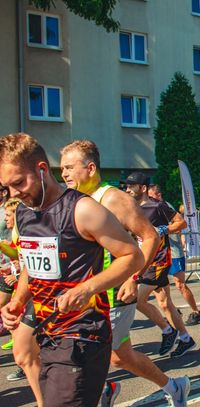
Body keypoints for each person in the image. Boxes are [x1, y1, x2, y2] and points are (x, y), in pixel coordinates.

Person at [0, 133, 144, 407]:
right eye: (6, 187)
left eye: (18, 183)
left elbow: (132, 256)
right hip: (47, 332)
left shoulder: (83, 209)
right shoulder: (24, 212)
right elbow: (31, 264)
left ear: (42, 169)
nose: (14, 193)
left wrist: (86, 288)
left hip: (83, 333)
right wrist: (18, 301)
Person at [60, 141, 190, 406]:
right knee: (121, 358)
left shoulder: (113, 199)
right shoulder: (73, 199)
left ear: (91, 168)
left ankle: (100, 393)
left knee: (82, 355)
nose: (64, 174)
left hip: (114, 294)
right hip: (87, 293)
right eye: (62, 168)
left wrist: (134, 278)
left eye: (70, 167)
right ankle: (173, 386)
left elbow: (150, 236)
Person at [124, 172, 196, 359]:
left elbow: (181, 223)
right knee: (165, 303)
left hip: (158, 261)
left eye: (131, 186)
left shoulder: (157, 206)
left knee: (137, 299)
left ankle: (167, 331)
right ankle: (185, 338)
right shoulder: (129, 208)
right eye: (126, 186)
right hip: (143, 259)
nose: (127, 189)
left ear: (143, 188)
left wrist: (163, 229)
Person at [149, 183, 200, 326]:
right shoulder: (148, 208)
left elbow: (180, 227)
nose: (147, 199)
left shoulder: (165, 206)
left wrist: (163, 230)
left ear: (158, 195)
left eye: (150, 196)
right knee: (160, 286)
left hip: (173, 250)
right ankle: (173, 311)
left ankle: (196, 311)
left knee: (180, 284)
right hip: (159, 253)